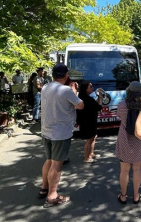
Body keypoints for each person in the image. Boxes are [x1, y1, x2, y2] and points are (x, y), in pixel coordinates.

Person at [39, 63, 84, 208]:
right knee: (57, 165)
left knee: (49, 160)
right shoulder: (66, 91)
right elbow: (80, 105)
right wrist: (75, 92)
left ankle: (44, 188)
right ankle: (52, 196)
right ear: (66, 75)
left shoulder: (46, 87)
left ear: (53, 75)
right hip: (61, 133)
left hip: (46, 130)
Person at [115, 81, 141, 204]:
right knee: (137, 169)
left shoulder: (122, 105)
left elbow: (119, 116)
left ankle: (123, 196)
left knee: (124, 170)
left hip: (125, 139)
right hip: (139, 139)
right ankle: (136, 196)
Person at [77, 81, 103, 163]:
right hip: (87, 121)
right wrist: (101, 98)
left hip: (90, 120)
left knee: (93, 137)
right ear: (86, 89)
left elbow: (95, 105)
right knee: (89, 139)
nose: (92, 88)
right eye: (90, 87)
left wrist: (99, 97)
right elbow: (98, 107)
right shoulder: (87, 99)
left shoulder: (85, 98)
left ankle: (91, 153)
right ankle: (86, 157)